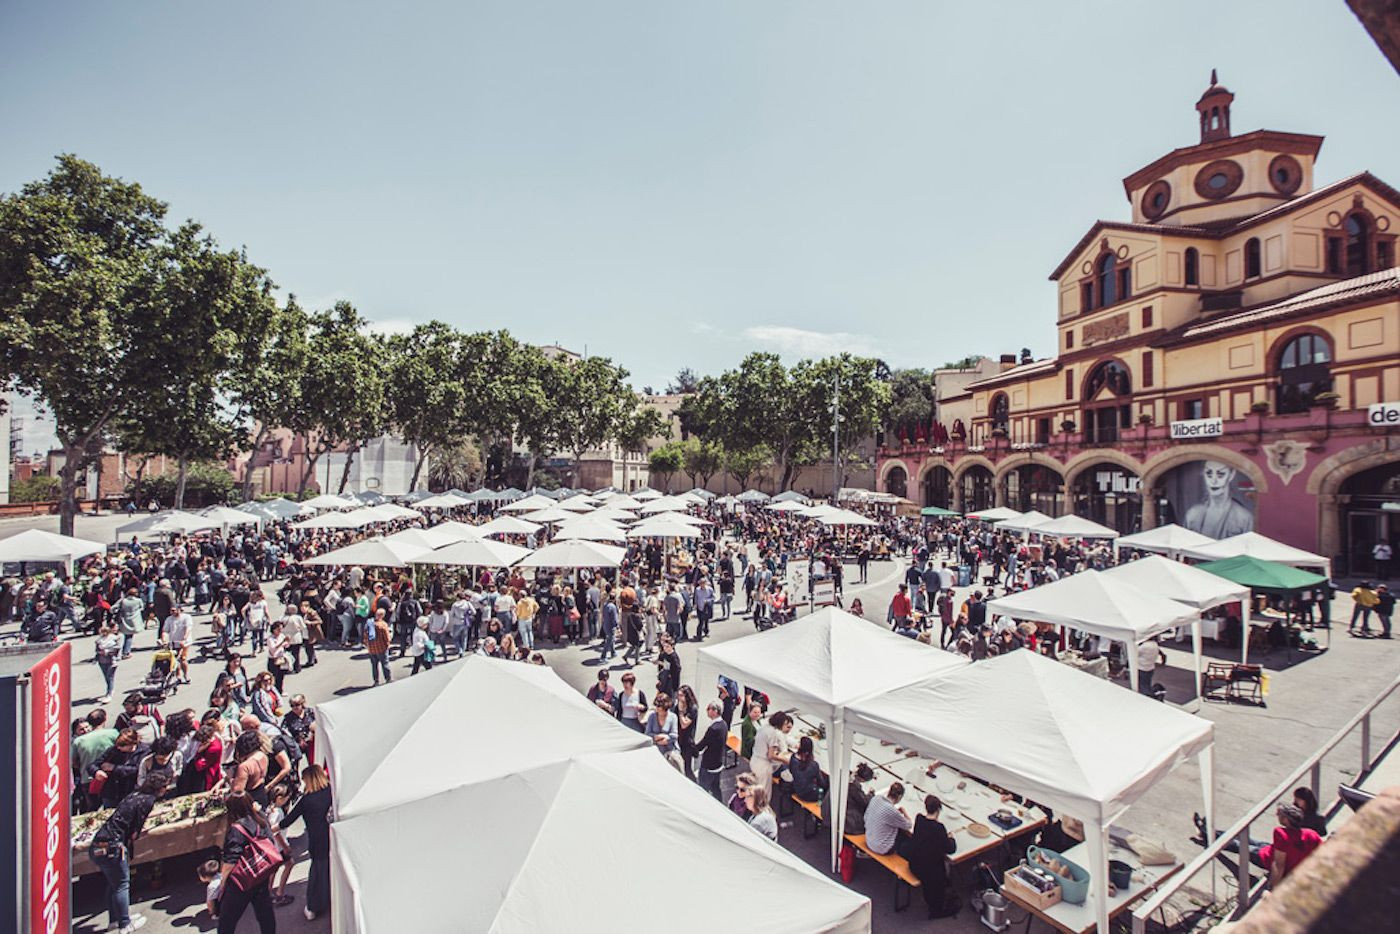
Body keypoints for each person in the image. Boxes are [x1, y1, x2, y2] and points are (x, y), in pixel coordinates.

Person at [89, 773, 169, 933]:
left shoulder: (134, 795)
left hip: (98, 843)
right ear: (160, 788)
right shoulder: (148, 801)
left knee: (113, 884)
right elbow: (135, 831)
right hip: (114, 846)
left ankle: (114, 920)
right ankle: (125, 924)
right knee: (122, 885)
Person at [216, 791, 279, 934]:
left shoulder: (236, 829)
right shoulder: (261, 819)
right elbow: (271, 841)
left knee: (227, 922)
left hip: (241, 881)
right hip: (261, 874)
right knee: (265, 916)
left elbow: (230, 861)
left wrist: (222, 882)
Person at [281, 764, 333, 921]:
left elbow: (288, 820)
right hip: (332, 838)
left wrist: (271, 827)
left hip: (318, 842)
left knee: (317, 875)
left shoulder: (306, 800)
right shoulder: (330, 792)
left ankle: (313, 906)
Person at [904, 794, 958, 918]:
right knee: (941, 870)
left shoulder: (919, 819)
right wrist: (951, 838)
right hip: (928, 872)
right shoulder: (939, 828)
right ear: (938, 810)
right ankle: (937, 908)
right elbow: (950, 849)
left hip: (914, 864)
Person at [1183, 460, 1254, 539]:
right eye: (1209, 474)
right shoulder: (1192, 515)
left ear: (1231, 475)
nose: (1213, 481)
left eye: (1220, 474)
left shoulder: (1243, 518)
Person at [863, 782, 914, 856]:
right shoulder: (892, 811)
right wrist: (904, 813)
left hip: (868, 839)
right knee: (905, 838)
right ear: (899, 797)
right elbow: (908, 825)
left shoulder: (876, 798)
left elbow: (866, 817)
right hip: (881, 848)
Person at [693, 700, 729, 800]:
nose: (707, 710)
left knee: (703, 789)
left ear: (715, 711)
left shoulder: (713, 729)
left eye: (708, 709)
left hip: (709, 765)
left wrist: (692, 748)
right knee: (716, 788)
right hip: (718, 763)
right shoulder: (724, 724)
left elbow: (703, 744)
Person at [749, 711, 792, 791]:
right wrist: (784, 760)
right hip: (763, 766)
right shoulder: (773, 733)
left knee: (756, 790)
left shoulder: (764, 727)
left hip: (755, 760)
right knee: (763, 793)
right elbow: (771, 755)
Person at [161, 603, 194, 684]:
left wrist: (184, 639)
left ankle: (186, 675)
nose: (172, 612)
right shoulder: (169, 619)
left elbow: (188, 628)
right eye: (171, 611)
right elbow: (165, 630)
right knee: (174, 660)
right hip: (173, 642)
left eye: (174, 610)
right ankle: (178, 676)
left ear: (179, 610)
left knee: (182, 659)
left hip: (184, 642)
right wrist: (164, 640)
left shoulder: (186, 617)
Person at [788, 735, 827, 803]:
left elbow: (791, 771)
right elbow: (821, 783)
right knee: (825, 788)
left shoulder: (793, 758)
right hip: (809, 794)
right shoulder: (814, 765)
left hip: (796, 789)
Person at [95, 620, 122, 702]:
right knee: (106, 677)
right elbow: (96, 650)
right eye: (102, 632)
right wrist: (100, 652)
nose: (104, 633)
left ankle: (109, 694)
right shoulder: (99, 640)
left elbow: (117, 649)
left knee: (110, 677)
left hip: (111, 661)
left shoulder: (114, 639)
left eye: (105, 631)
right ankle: (110, 690)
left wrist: (107, 651)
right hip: (102, 661)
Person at [365, 609, 392, 686]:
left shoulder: (369, 624)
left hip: (372, 649)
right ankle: (388, 679)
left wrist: (368, 646)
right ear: (382, 615)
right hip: (382, 648)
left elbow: (365, 637)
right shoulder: (383, 625)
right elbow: (387, 638)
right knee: (385, 664)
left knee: (374, 666)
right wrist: (388, 645)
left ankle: (376, 681)